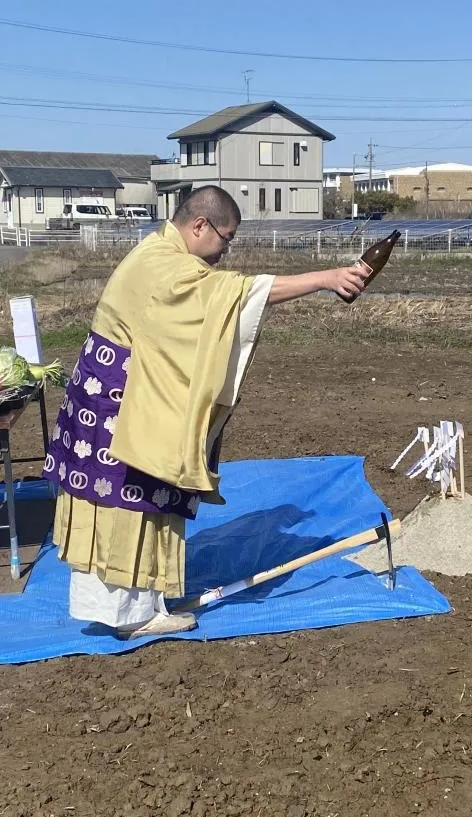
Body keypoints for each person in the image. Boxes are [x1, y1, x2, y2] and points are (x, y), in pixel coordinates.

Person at [44, 186, 369, 638]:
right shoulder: (167, 267)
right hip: (122, 401)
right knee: (127, 501)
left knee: (131, 500)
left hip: (113, 392)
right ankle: (130, 615)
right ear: (200, 225)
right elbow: (235, 297)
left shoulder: (157, 252)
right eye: (226, 238)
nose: (225, 251)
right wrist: (324, 278)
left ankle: (137, 604)